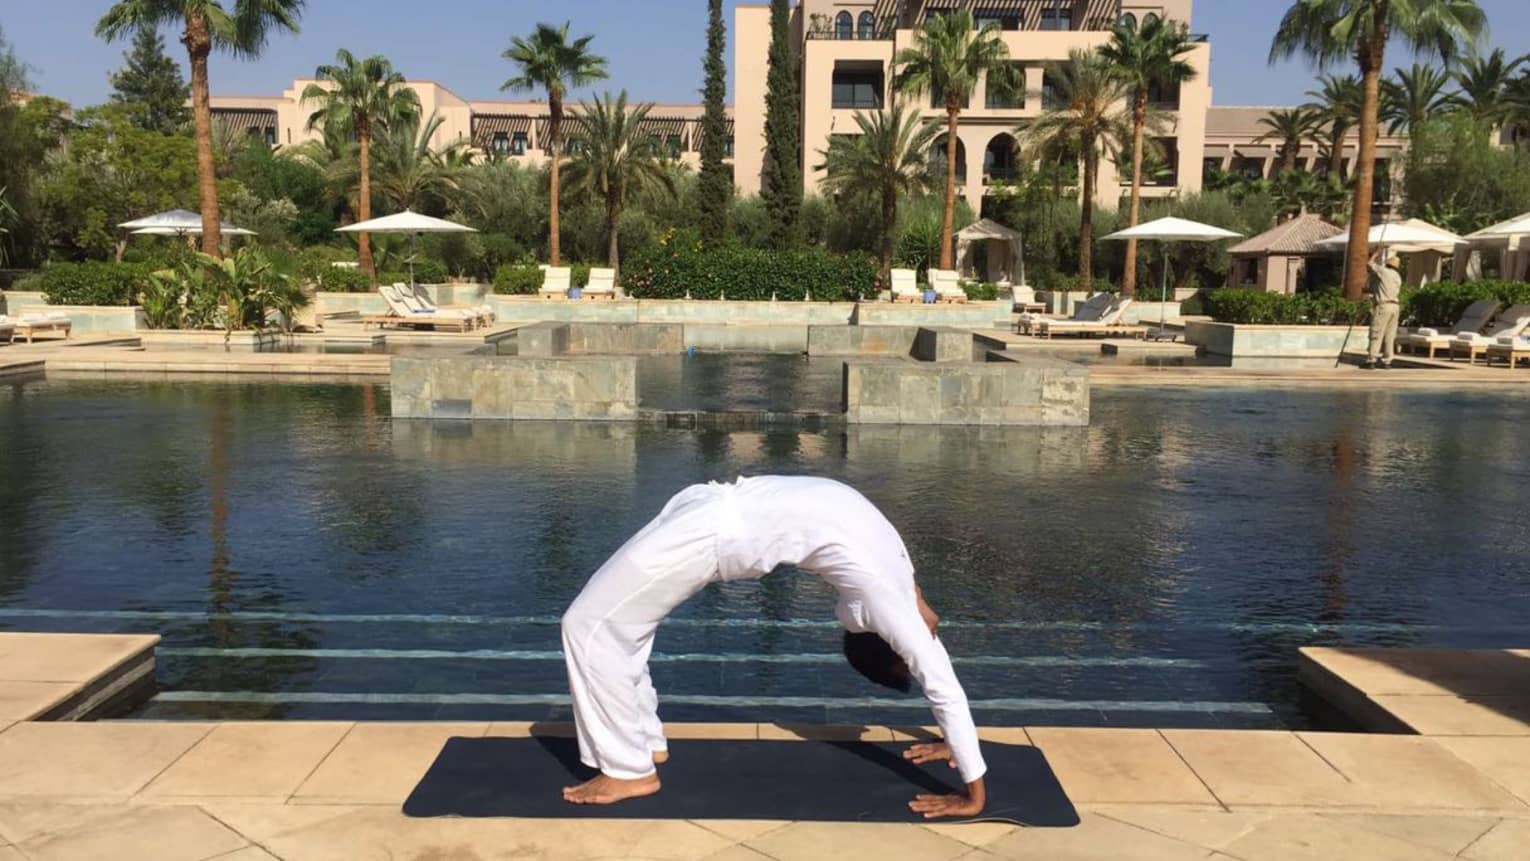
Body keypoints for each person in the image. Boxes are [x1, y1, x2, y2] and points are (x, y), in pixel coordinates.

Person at [559, 475, 987, 819]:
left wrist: (968, 779)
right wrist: (972, 791)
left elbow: (933, 658)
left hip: (712, 530)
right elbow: (936, 667)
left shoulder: (893, 584)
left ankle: (630, 771)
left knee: (588, 624)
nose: (915, 656)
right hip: (705, 517)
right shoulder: (890, 601)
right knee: (617, 622)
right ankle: (642, 743)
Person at [1364, 250, 1403, 369]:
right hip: (1395, 306)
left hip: (1384, 306)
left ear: (1388, 264)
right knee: (1389, 335)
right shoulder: (1397, 276)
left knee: (1376, 332)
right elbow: (1382, 287)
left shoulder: (1384, 272)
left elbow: (1369, 265)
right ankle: (1387, 360)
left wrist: (1374, 255)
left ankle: (1372, 359)